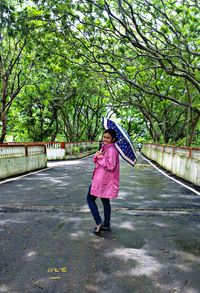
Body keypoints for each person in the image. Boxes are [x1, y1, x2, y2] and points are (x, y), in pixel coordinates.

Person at [87, 129, 120, 235]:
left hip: (102, 180)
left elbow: (111, 166)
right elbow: (98, 160)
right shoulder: (105, 147)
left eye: (108, 138)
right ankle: (106, 224)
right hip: (103, 179)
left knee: (90, 199)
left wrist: (100, 157)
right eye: (104, 137)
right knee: (105, 202)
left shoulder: (112, 150)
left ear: (113, 139)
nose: (105, 139)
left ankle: (98, 222)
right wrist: (98, 155)